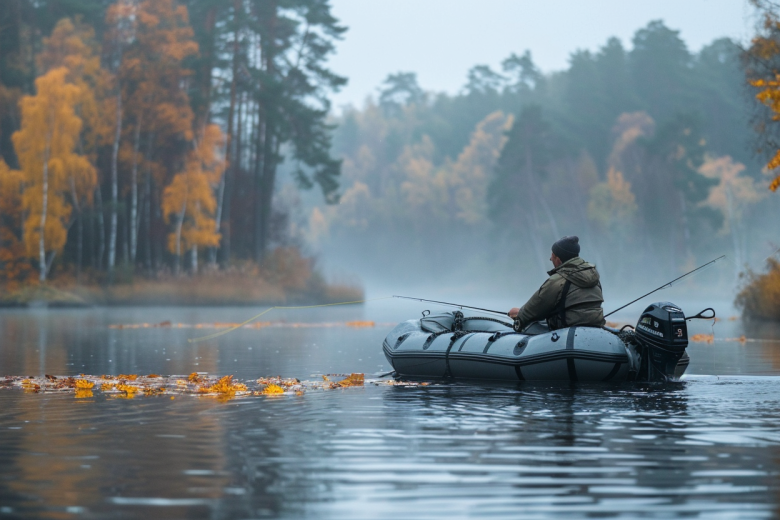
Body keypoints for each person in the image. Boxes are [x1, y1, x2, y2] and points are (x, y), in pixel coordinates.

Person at [508, 236, 605, 332]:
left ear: (558, 260)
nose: (550, 259)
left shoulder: (557, 280)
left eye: (552, 256)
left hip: (566, 335)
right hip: (596, 329)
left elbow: (534, 309)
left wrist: (519, 315)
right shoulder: (594, 276)